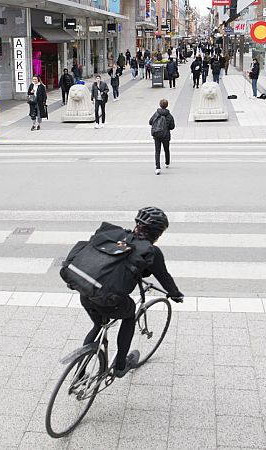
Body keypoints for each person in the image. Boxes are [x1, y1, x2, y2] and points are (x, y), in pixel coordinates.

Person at [79, 207, 183, 378]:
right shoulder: (151, 251)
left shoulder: (117, 236)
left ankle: (80, 373)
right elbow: (164, 277)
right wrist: (175, 294)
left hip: (86, 291)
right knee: (128, 317)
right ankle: (120, 366)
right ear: (157, 233)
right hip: (110, 301)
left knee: (98, 325)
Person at [149, 99, 176, 175]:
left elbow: (150, 122)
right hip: (166, 135)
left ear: (160, 105)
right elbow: (172, 127)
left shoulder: (156, 114)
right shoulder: (169, 115)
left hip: (157, 135)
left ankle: (158, 168)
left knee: (157, 151)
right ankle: (167, 163)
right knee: (166, 149)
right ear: (167, 105)